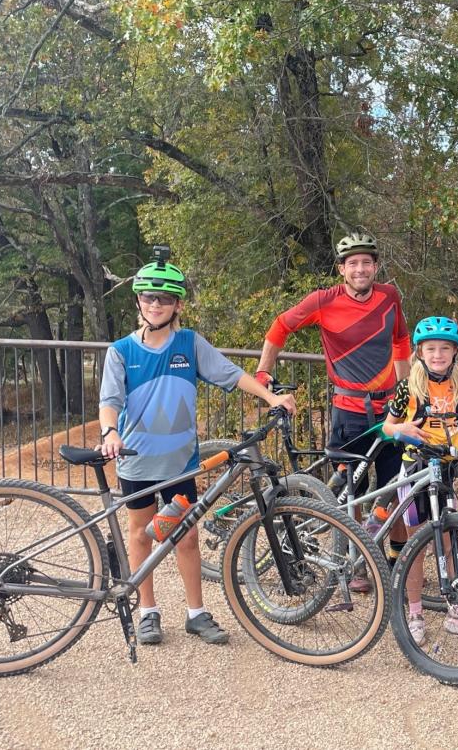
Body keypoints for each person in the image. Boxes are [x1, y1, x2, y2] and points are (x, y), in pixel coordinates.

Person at [99, 248, 296, 646]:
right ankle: (148, 612)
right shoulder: (120, 351)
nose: (156, 305)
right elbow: (109, 402)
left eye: (165, 299)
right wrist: (109, 433)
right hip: (136, 462)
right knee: (140, 533)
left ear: (177, 305)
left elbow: (231, 374)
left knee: (186, 536)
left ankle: (196, 612)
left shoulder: (189, 344)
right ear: (138, 301)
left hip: (181, 464)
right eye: (150, 298)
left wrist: (270, 398)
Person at [255, 232, 411, 586]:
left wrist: (406, 389)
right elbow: (280, 326)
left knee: (393, 490)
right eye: (352, 263)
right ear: (342, 269)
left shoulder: (390, 297)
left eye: (366, 263)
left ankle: (397, 563)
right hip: (348, 411)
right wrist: (264, 370)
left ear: (377, 267)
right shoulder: (323, 301)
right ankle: (355, 564)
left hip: (389, 410)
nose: (360, 269)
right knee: (353, 491)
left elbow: (401, 339)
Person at [381, 316, 458, 646]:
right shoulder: (408, 387)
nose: (437, 354)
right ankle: (415, 614)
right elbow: (387, 426)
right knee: (417, 546)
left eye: (444, 348)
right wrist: (402, 430)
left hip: (446, 471)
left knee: (449, 544)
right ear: (420, 352)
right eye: (431, 349)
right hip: (415, 471)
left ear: (455, 352)